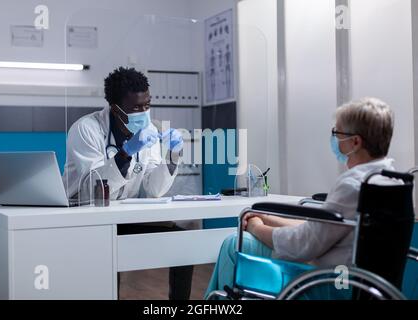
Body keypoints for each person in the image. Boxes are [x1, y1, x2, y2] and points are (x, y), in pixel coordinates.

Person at [205, 97, 398, 297]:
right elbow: (319, 231)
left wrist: (256, 226)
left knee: (233, 244)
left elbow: (301, 245)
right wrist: (267, 218)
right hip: (361, 280)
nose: (335, 139)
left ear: (355, 142)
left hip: (327, 281)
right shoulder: (389, 182)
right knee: (241, 243)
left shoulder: (351, 186)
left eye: (337, 133)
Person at [63, 67, 193, 300]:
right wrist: (126, 153)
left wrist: (173, 157)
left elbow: (153, 190)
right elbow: (93, 189)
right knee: (106, 262)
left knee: (183, 244)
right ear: (115, 109)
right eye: (136, 108)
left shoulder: (148, 131)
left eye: (147, 105)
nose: (144, 113)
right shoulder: (86, 130)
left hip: (123, 216)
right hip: (86, 218)